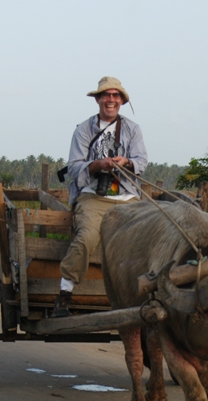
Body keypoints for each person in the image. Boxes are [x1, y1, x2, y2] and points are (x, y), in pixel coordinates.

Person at [52, 76, 148, 318]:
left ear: (122, 101)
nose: (111, 100)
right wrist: (98, 165)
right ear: (98, 99)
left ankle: (144, 295)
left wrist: (126, 162)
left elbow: (142, 162)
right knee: (86, 237)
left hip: (127, 198)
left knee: (145, 242)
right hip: (93, 196)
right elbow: (73, 167)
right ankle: (64, 294)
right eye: (106, 95)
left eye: (116, 96)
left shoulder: (132, 129)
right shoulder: (83, 130)